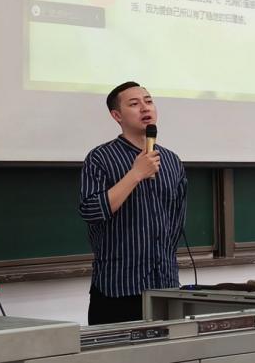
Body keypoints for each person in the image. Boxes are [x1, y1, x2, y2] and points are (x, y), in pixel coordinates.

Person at [78, 81, 187, 325]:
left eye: (148, 101)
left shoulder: (171, 161)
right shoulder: (100, 158)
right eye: (134, 104)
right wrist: (135, 174)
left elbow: (176, 222)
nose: (145, 108)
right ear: (117, 115)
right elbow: (91, 211)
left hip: (165, 286)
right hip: (118, 287)